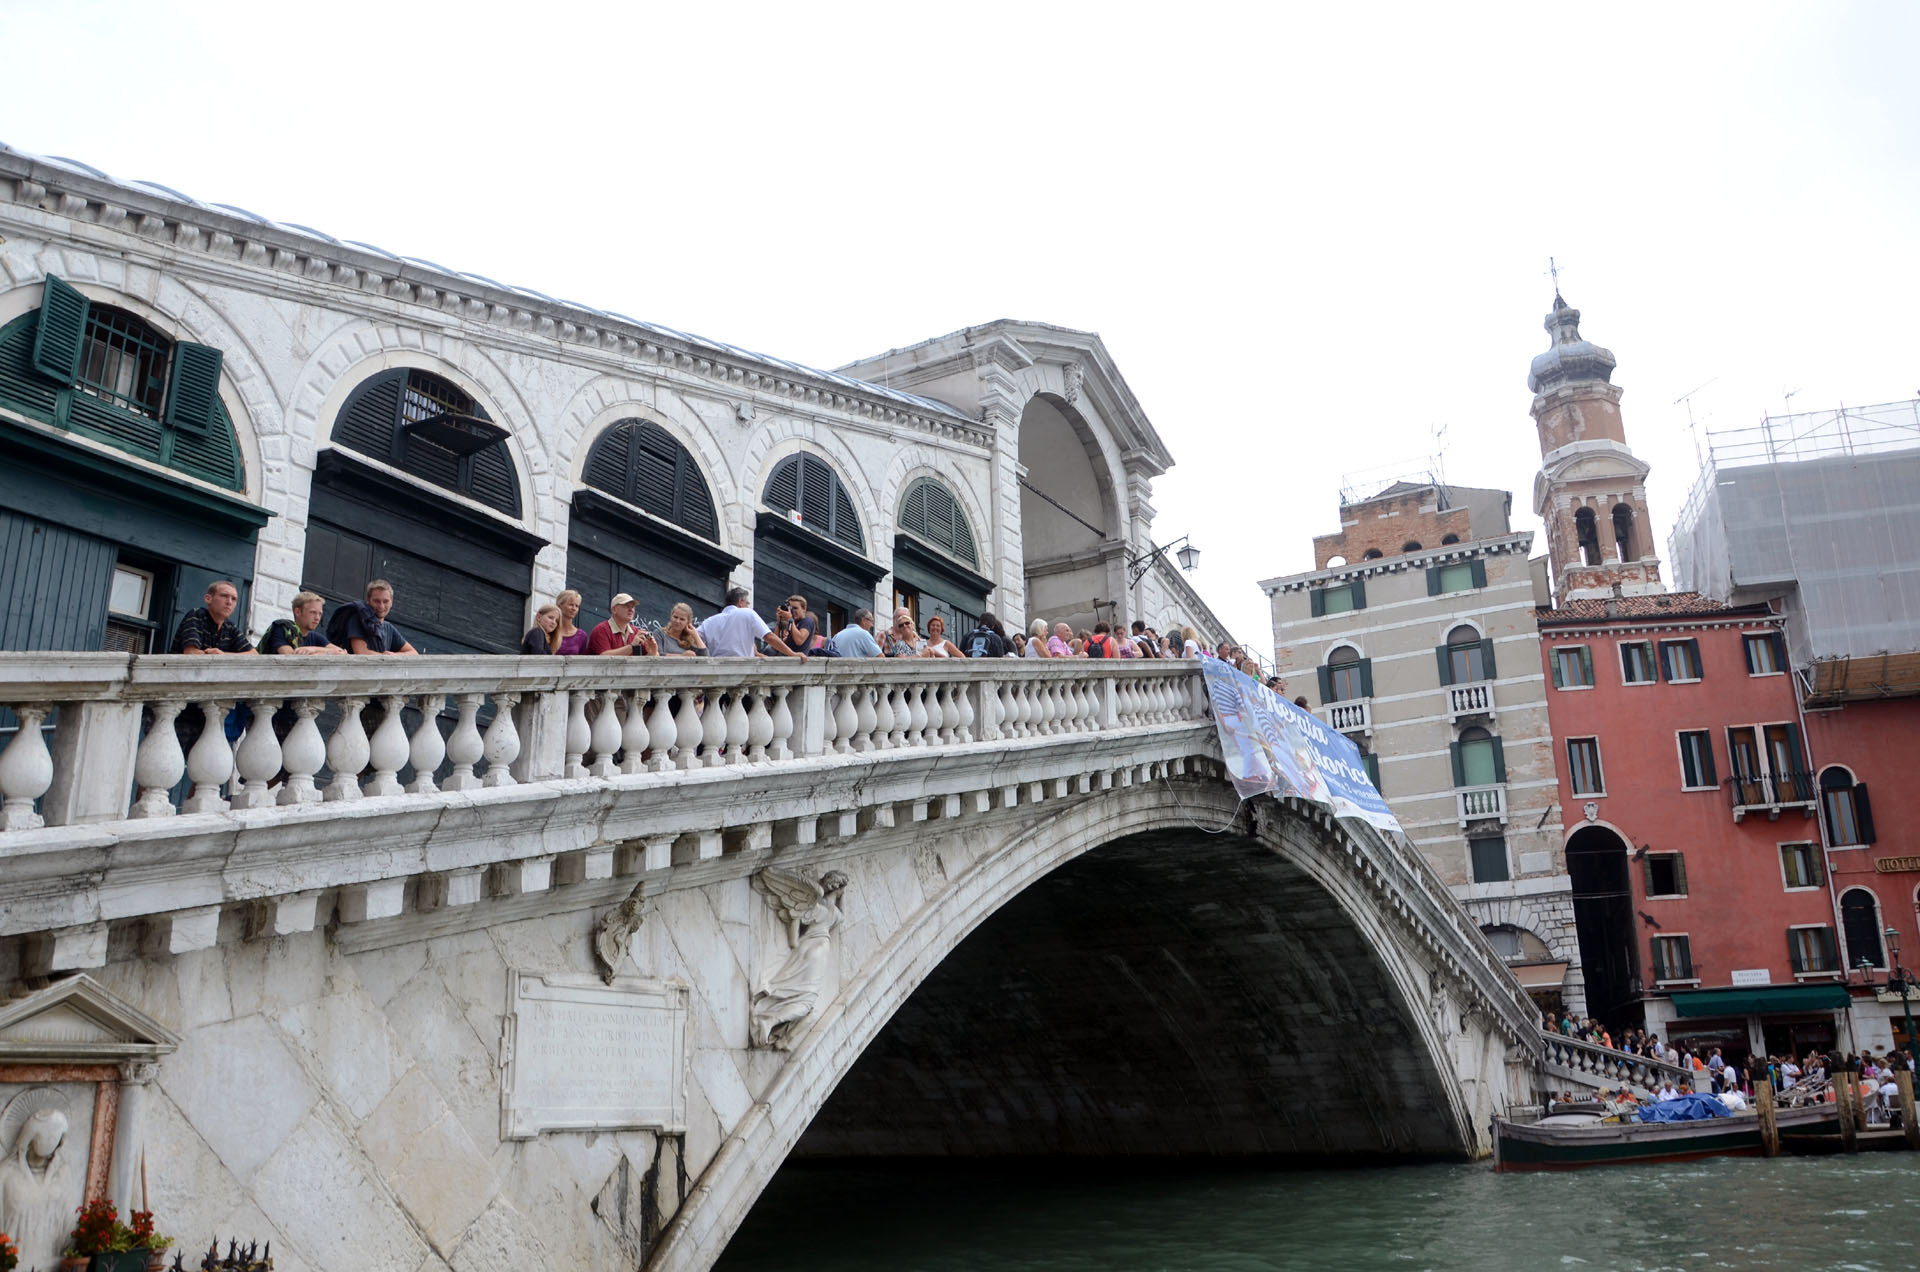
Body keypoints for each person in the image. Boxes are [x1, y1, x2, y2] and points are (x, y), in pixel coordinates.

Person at [702, 587, 805, 659]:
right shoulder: (747, 613)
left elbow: (693, 639)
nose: (748, 606)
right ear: (740, 601)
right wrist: (792, 654)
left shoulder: (709, 621)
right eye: (747, 603)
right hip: (740, 671)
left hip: (715, 674)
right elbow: (769, 637)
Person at [172, 580, 255, 655]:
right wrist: (214, 656)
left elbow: (254, 654)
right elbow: (190, 653)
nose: (229, 602)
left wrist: (222, 655)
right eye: (224, 596)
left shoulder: (230, 627)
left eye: (233, 599)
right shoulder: (196, 615)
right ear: (208, 599)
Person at [336, 579, 418, 654]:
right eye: (376, 601)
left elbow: (413, 653)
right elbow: (361, 652)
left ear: (391, 602)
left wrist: (394, 656)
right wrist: (384, 657)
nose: (381, 606)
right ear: (368, 600)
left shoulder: (388, 628)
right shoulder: (358, 619)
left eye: (385, 601)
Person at [259, 590, 343, 655]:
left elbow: (342, 653)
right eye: (313, 612)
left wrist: (313, 650)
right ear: (298, 612)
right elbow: (291, 658)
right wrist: (327, 653)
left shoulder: (316, 637)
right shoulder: (281, 629)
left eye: (320, 614)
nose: (317, 618)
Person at [588, 592, 658, 656]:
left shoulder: (636, 632)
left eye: (633, 606)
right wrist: (631, 646)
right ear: (614, 610)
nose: (631, 609)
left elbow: (646, 660)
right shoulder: (601, 630)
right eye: (626, 606)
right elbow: (604, 657)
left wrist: (653, 652)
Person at [554, 589, 590, 655]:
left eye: (577, 606)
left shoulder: (581, 636)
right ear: (559, 606)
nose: (574, 608)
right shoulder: (551, 630)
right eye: (571, 605)